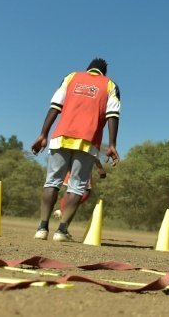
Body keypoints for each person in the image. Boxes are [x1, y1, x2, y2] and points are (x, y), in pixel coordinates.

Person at [31, 58, 120, 242]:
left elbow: (55, 106)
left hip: (61, 136)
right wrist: (112, 144)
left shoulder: (71, 77)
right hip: (88, 141)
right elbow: (113, 115)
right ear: (104, 72)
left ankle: (42, 228)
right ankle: (61, 231)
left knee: (52, 182)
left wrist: (43, 134)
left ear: (88, 69)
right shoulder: (110, 85)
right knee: (77, 186)